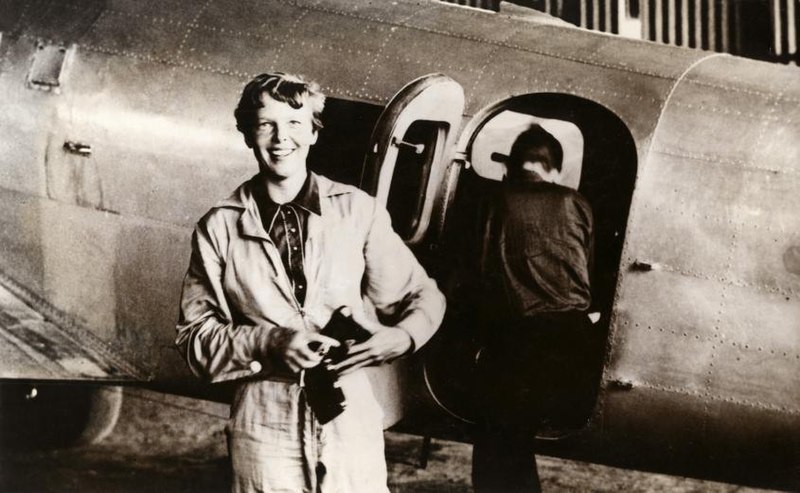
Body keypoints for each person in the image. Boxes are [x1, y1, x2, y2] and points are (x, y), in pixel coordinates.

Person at [175, 72, 445, 493]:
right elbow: (195, 341)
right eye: (266, 124)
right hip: (264, 419)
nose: (281, 137)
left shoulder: (357, 211)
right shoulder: (220, 227)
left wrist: (405, 337)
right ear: (248, 134)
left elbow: (422, 295)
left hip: (348, 410)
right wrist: (272, 341)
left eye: (295, 123)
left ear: (315, 133)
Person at [471, 124, 594, 493]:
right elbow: (588, 272)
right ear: (553, 169)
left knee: (498, 444)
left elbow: (481, 271)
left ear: (511, 166)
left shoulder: (497, 202)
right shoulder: (578, 203)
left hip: (517, 339)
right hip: (572, 343)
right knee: (515, 439)